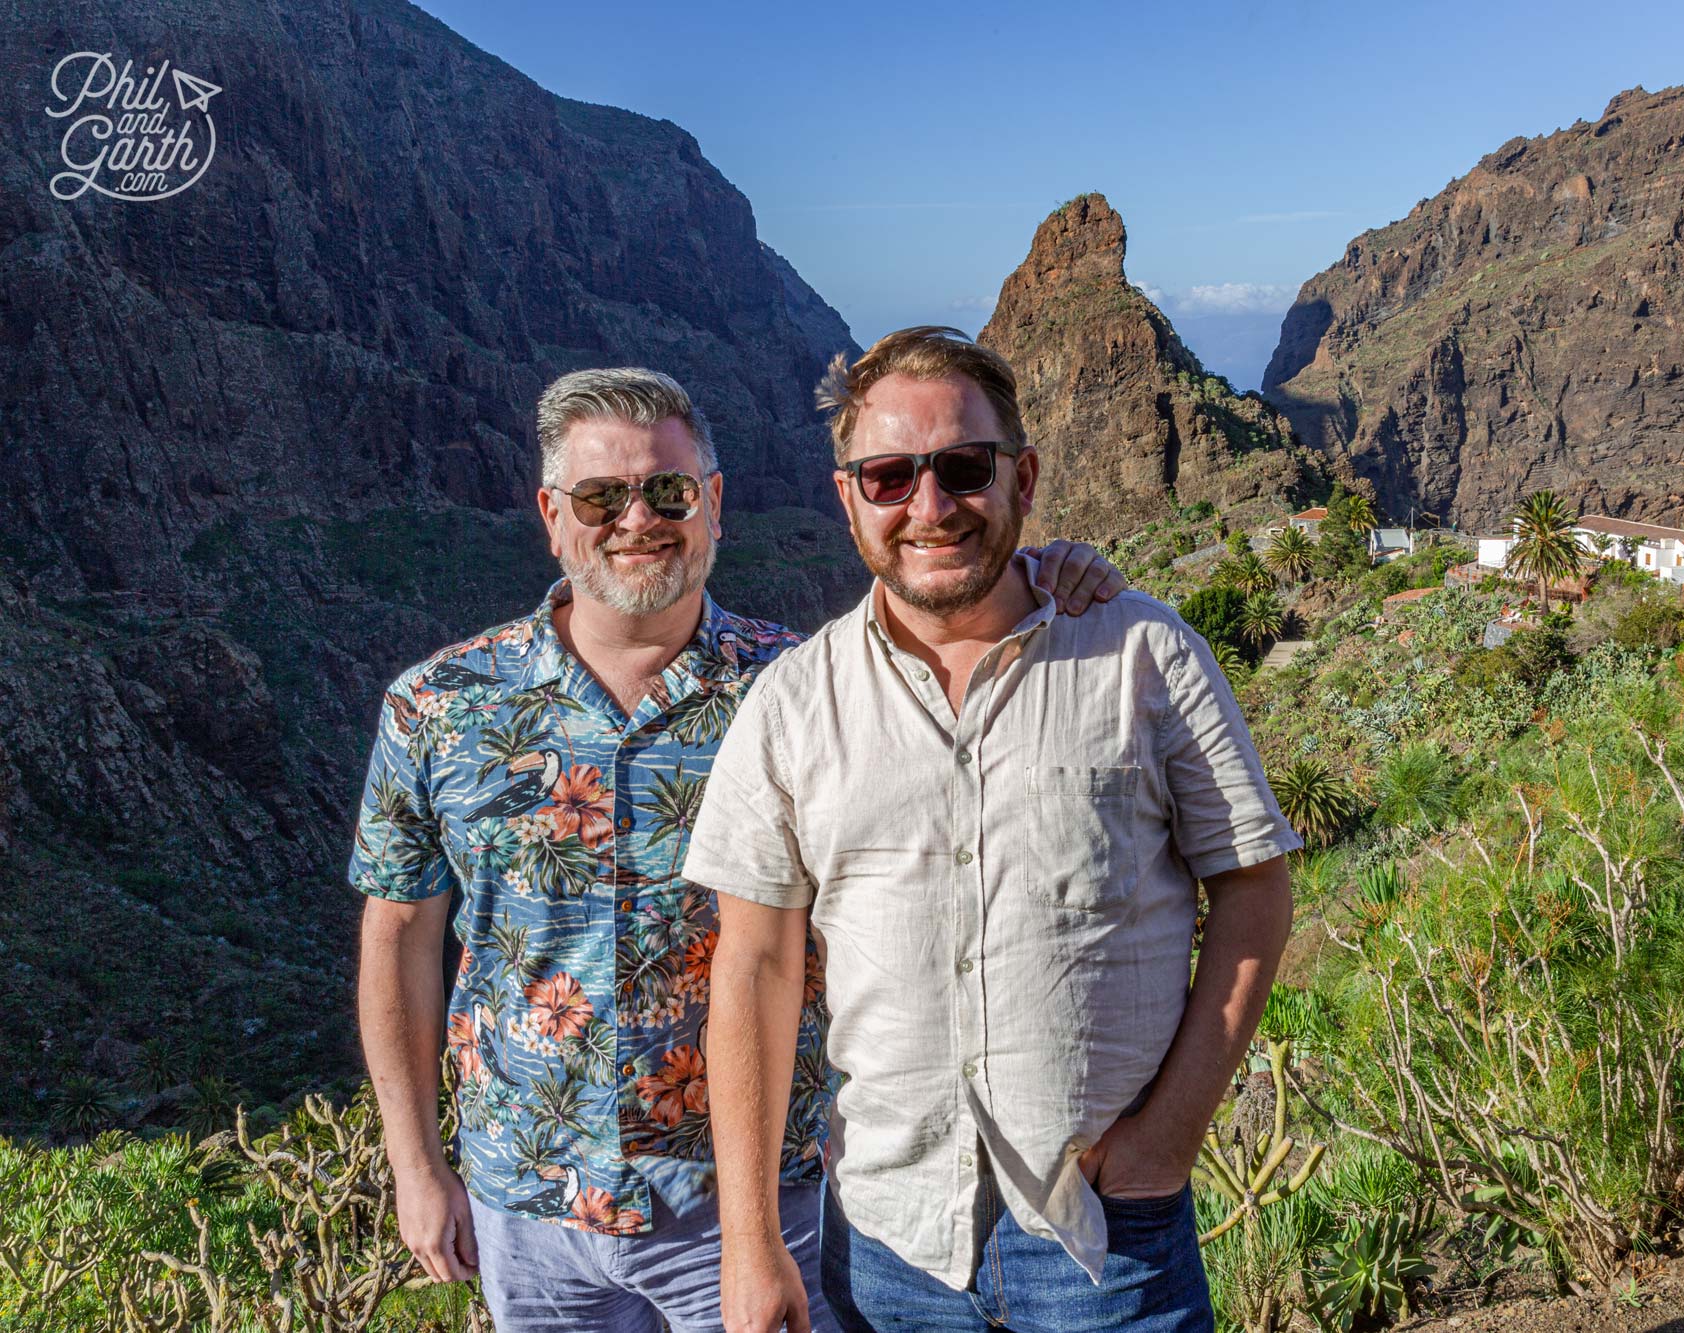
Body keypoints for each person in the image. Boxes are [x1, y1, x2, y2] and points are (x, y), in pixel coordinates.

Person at [351, 364, 1125, 1332]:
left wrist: (1046, 575)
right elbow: (399, 940)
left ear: (712, 503)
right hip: (529, 1208)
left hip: (764, 1205)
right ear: (552, 515)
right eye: (601, 496)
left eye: (667, 490)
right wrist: (414, 1161)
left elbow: (954, 637)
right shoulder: (435, 708)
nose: (638, 518)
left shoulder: (804, 690)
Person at [689, 327, 1298, 1333]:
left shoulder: (1143, 654)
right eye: (888, 476)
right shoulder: (791, 705)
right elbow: (751, 966)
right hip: (887, 1241)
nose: (928, 508)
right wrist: (750, 1244)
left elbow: (1254, 892)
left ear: (1022, 476)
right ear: (847, 496)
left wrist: (1168, 1140)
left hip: (1107, 1229)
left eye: (961, 469)